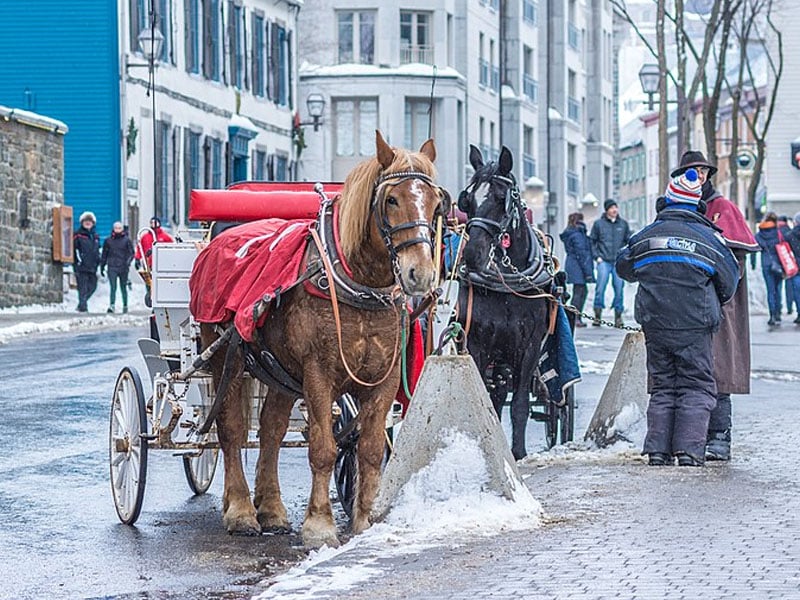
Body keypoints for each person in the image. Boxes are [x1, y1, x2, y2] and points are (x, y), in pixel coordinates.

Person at [616, 168, 739, 467]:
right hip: (695, 325)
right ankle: (688, 451)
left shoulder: (645, 237)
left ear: (667, 201)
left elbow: (624, 268)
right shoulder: (710, 239)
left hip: (656, 324)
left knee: (663, 385)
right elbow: (730, 281)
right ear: (696, 204)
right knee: (695, 385)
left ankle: (658, 451)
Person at [671, 151, 760, 462]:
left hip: (718, 299)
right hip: (682, 303)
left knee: (718, 367)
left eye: (702, 171)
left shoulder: (722, 208)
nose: (699, 176)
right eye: (691, 172)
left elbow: (738, 256)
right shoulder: (676, 208)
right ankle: (685, 437)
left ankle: (719, 436)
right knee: (683, 372)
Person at [590, 199, 631, 327]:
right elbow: (592, 242)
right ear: (606, 210)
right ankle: (597, 314)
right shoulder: (598, 224)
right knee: (600, 287)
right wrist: (597, 256)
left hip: (618, 262)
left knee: (619, 288)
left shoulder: (623, 224)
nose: (615, 210)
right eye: (612, 208)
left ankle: (618, 316)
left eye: (616, 207)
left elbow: (628, 242)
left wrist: (625, 257)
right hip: (604, 260)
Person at [754, 212, 791, 327]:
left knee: (770, 290)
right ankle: (778, 313)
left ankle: (772, 315)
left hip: (766, 264)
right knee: (778, 289)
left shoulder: (759, 234)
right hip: (778, 265)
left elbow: (755, 248)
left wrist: (753, 263)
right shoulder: (779, 233)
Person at [560, 212, 594, 327]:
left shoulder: (571, 233)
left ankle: (575, 317)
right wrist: (588, 273)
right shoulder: (578, 234)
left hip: (573, 265)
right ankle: (575, 317)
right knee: (580, 293)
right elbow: (582, 253)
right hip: (578, 266)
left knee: (579, 292)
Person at [134, 216, 175, 307]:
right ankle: (150, 297)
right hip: (148, 264)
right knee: (149, 282)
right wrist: (137, 258)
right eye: (151, 223)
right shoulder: (145, 237)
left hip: (161, 264)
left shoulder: (164, 237)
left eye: (155, 223)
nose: (153, 225)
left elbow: (172, 247)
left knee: (159, 283)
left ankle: (159, 299)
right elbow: (140, 248)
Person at [100, 221, 135, 313]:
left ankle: (125, 305)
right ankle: (112, 305)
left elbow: (131, 253)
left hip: (123, 266)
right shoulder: (108, 241)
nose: (118, 230)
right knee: (113, 287)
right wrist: (102, 266)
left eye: (119, 228)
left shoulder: (127, 240)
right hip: (112, 266)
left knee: (123, 287)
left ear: (122, 229)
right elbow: (104, 254)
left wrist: (127, 262)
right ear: (113, 229)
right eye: (116, 228)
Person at [73, 211, 101, 312]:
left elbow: (98, 250)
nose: (88, 223)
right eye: (86, 221)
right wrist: (78, 262)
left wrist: (99, 261)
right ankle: (83, 307)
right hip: (82, 266)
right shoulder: (78, 235)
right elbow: (74, 250)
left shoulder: (95, 236)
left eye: (90, 221)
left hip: (93, 266)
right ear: (82, 223)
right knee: (82, 287)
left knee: (93, 286)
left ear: (93, 223)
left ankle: (81, 304)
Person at [778, 215, 795, 315]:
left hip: (777, 262)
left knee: (776, 287)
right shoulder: (789, 232)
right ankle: (789, 306)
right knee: (790, 285)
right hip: (788, 261)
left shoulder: (776, 232)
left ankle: (777, 309)